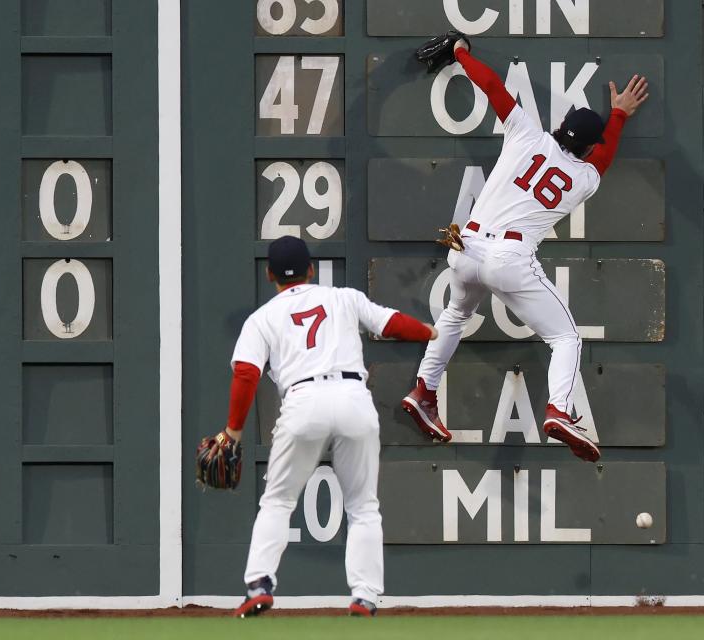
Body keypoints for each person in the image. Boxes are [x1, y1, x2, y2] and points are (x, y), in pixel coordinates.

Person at [402, 41, 649, 462]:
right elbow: (603, 155)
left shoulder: (526, 132)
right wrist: (620, 113)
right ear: (587, 148)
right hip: (509, 260)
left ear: (562, 124)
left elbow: (493, 87)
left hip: (466, 249)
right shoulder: (584, 177)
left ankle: (424, 391)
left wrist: (460, 53)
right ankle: (559, 410)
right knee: (565, 337)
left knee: (456, 315)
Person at [218, 235, 438, 617]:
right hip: (353, 396)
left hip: (303, 402)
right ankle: (364, 595)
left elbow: (246, 373)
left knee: (278, 501)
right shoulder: (342, 298)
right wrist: (429, 332)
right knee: (363, 505)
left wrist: (233, 430)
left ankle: (259, 584)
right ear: (310, 271)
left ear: (270, 274)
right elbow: (391, 324)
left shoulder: (263, 318)